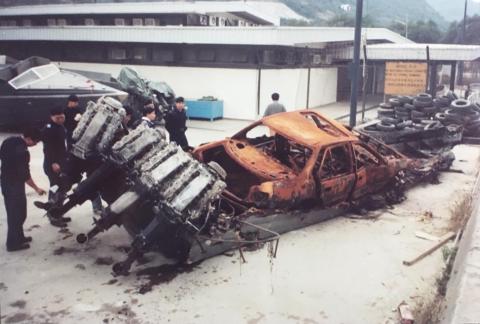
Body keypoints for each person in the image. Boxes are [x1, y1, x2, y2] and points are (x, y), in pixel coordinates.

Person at [0, 128, 46, 251]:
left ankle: (19, 237)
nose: (35, 144)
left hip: (6, 181)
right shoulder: (23, 151)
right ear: (29, 139)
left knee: (17, 213)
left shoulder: (9, 141)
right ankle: (13, 244)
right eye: (35, 142)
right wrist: (37, 188)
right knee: (16, 214)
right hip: (14, 184)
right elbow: (24, 174)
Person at [42, 106, 67, 201]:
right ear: (51, 117)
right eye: (58, 118)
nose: (61, 119)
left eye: (62, 117)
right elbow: (47, 148)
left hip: (61, 161)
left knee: (61, 185)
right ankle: (51, 205)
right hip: (52, 163)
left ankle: (57, 208)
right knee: (55, 185)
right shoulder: (48, 129)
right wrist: (53, 162)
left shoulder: (60, 126)